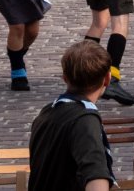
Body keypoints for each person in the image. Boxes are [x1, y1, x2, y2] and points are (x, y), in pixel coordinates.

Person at [28, 41, 117, 191]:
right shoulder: (85, 120)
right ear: (107, 78)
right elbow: (96, 175)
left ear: (65, 78)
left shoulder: (47, 112)